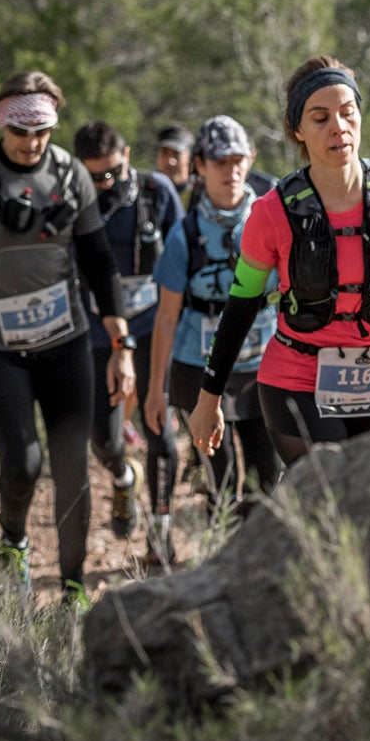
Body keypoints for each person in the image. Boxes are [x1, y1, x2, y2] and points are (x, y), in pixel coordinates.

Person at [0, 72, 136, 613]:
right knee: (23, 464)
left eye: (41, 130)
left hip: (66, 344)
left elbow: (99, 262)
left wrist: (122, 344)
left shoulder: (69, 174)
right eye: (20, 130)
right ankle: (13, 540)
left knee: (71, 468)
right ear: (1, 122)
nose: (31, 142)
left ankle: (73, 585)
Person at [186, 58, 370, 467]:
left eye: (347, 113)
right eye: (320, 118)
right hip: (296, 381)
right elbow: (239, 308)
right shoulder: (272, 212)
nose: (338, 127)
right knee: (329, 499)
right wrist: (209, 398)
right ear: (298, 131)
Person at [144, 116, 282, 559]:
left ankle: (258, 566)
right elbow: (165, 318)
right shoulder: (185, 235)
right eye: (220, 161)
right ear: (200, 166)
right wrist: (155, 392)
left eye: (239, 159)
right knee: (221, 481)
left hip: (262, 369)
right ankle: (224, 567)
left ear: (251, 160)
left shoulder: (271, 219)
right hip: (198, 374)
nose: (231, 170)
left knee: (269, 477)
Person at [74, 120, 181, 545]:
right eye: (92, 176)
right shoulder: (70, 199)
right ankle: (123, 479)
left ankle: (161, 532)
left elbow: (182, 257)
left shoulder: (156, 192)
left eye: (111, 173)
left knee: (159, 428)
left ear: (128, 156)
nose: (103, 184)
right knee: (103, 438)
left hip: (154, 328)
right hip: (99, 337)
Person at [153, 124, 194, 196]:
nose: (170, 162)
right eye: (164, 153)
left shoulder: (202, 199)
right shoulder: (144, 195)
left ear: (189, 158)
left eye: (176, 154)